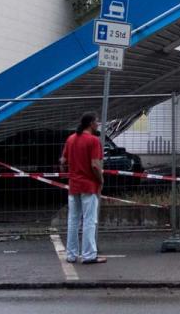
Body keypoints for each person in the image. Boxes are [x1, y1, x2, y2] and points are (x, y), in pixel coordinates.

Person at [59, 112, 106, 264]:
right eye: (96, 121)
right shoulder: (93, 141)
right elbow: (94, 164)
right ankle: (89, 255)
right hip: (89, 186)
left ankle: (71, 255)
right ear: (91, 124)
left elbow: (62, 161)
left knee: (73, 220)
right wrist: (101, 180)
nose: (98, 124)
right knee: (89, 221)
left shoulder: (71, 139)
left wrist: (70, 172)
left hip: (74, 185)